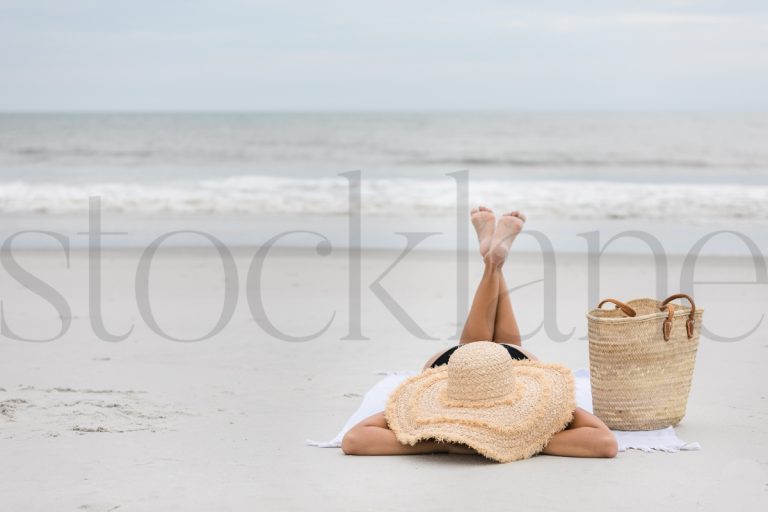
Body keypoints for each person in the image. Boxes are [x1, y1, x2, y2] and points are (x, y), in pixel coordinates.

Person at [341, 207, 618, 461]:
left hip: (456, 369)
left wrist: (444, 442)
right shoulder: (534, 416)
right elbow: (604, 442)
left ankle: (493, 263)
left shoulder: (433, 422)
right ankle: (493, 262)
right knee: (502, 345)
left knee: (481, 347)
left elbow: (355, 440)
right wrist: (523, 439)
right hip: (496, 367)